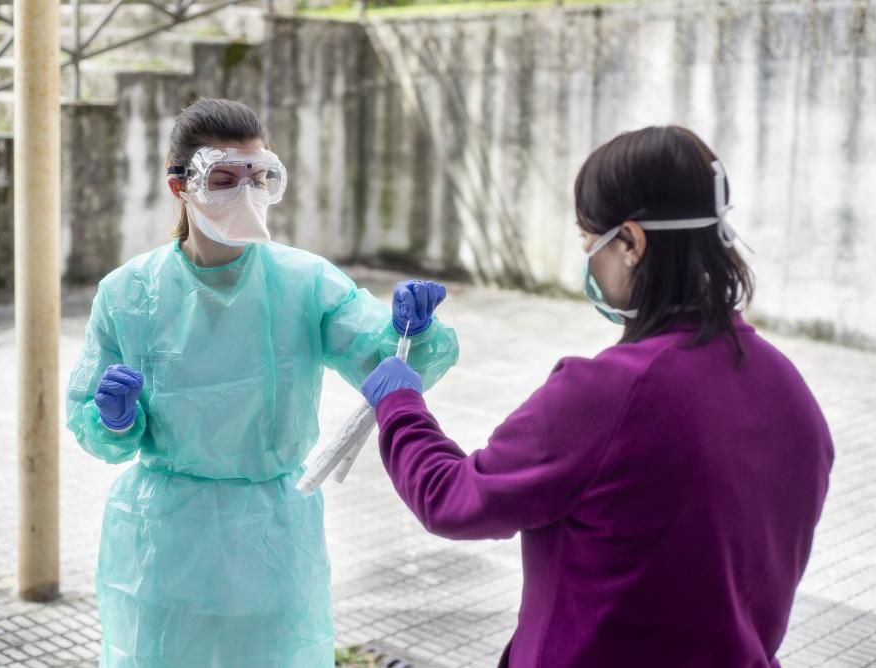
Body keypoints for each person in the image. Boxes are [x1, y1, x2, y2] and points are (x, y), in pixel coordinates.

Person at [359, 126, 834, 667]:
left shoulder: (609, 394)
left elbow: (453, 499)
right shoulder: (790, 392)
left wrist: (399, 404)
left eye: (590, 240)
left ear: (630, 242)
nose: (588, 258)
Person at [65, 97, 458, 668]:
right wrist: (116, 418)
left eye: (258, 177)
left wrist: (412, 332)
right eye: (223, 179)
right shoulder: (129, 293)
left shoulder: (304, 282)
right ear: (181, 187)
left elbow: (388, 364)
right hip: (164, 544)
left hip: (271, 540)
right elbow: (95, 424)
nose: (243, 194)